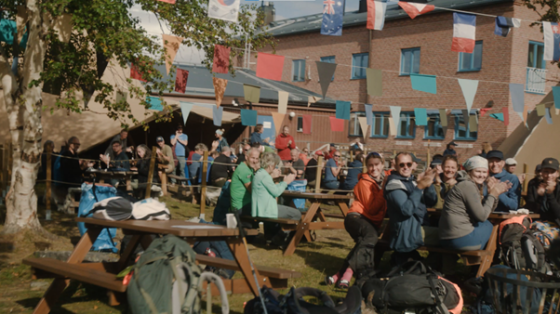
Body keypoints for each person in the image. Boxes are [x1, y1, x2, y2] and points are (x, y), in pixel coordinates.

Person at [326, 152, 387, 288]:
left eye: (376, 165)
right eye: (370, 166)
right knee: (371, 237)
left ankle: (338, 275)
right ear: (366, 167)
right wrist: (384, 190)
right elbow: (371, 208)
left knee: (363, 243)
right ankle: (348, 274)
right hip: (356, 217)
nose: (374, 168)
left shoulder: (382, 180)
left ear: (382, 165)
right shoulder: (365, 183)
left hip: (369, 220)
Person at [439, 156, 510, 250]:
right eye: (478, 171)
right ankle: (489, 261)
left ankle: (484, 261)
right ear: (469, 172)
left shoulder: (466, 184)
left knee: (486, 225)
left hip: (447, 237)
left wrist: (492, 194)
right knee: (489, 226)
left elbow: (485, 211)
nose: (481, 175)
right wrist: (493, 194)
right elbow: (482, 216)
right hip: (459, 238)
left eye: (484, 172)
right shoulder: (467, 185)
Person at [384, 153, 438, 263]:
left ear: (413, 165)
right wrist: (419, 188)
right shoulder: (393, 184)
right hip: (408, 233)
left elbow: (431, 201)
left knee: (447, 232)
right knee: (448, 237)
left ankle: (434, 267)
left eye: (408, 164)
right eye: (402, 164)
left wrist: (428, 183)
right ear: (395, 166)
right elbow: (406, 210)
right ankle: (448, 272)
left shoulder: (412, 181)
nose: (405, 167)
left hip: (418, 227)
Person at [251, 152, 299, 219]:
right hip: (266, 211)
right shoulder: (264, 176)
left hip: (262, 210)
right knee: (297, 214)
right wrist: (286, 182)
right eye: (275, 166)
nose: (275, 168)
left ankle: (281, 229)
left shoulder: (260, 173)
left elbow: (272, 188)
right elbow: (276, 192)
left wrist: (282, 183)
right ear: (270, 166)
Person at [526, 158, 560, 247]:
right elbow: (531, 208)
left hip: (556, 225)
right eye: (546, 172)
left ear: (557, 173)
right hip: (538, 222)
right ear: (541, 172)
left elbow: (558, 214)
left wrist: (550, 194)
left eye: (552, 172)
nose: (549, 175)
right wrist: (539, 196)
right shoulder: (535, 185)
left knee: (539, 235)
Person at [230, 148, 261, 216]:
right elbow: (253, 190)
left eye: (257, 158)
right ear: (246, 157)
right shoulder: (244, 170)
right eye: (253, 158)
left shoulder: (248, 168)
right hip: (241, 207)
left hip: (245, 204)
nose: (255, 161)